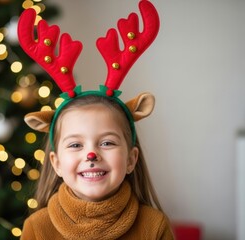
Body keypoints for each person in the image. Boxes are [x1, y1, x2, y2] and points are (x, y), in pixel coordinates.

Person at [17, 0, 174, 239]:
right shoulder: (37, 229)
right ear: (56, 163)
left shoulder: (154, 227)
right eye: (75, 145)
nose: (91, 155)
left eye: (107, 142)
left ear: (131, 159)